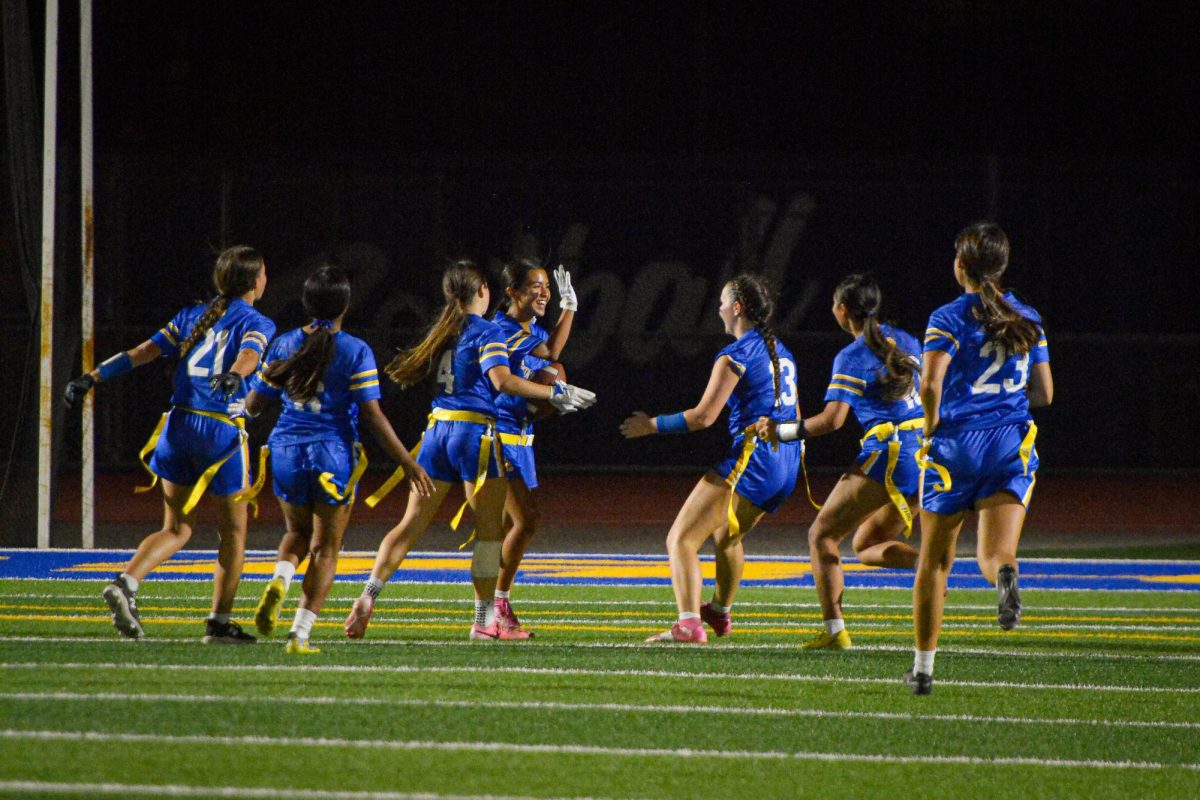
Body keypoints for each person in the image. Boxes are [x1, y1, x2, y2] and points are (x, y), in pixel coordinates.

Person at [342, 258, 596, 641]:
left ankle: (367, 595)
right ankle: (483, 620)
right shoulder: (487, 330)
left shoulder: (445, 329)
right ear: (483, 291)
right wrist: (553, 392)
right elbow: (504, 381)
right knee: (490, 535)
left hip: (436, 431)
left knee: (409, 525)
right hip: (474, 434)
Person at [63, 245, 275, 643]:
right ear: (253, 280)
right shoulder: (257, 320)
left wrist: (92, 377)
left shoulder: (191, 315)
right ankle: (218, 623)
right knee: (233, 534)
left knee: (176, 528)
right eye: (264, 272)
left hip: (176, 426)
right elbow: (250, 352)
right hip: (219, 432)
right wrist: (233, 374)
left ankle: (127, 582)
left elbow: (141, 352)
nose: (267, 278)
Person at [242, 265, 435, 654]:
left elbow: (253, 406)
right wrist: (407, 462)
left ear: (306, 303)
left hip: (285, 449)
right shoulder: (355, 350)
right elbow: (372, 415)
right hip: (332, 453)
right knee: (325, 549)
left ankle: (280, 578)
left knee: (295, 535)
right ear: (346, 304)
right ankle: (299, 634)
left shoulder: (283, 344)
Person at [905, 223, 1053, 695]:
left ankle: (924, 670)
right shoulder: (1027, 316)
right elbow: (1045, 393)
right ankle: (1005, 577)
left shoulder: (948, 316)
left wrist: (929, 429)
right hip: (1010, 441)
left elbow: (929, 385)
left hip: (957, 447)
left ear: (961, 265)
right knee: (995, 554)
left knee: (934, 563)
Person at [620, 274, 800, 643]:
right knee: (727, 538)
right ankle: (718, 613)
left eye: (722, 302)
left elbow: (704, 416)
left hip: (757, 459)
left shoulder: (736, 354)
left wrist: (651, 426)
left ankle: (688, 625)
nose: (717, 308)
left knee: (681, 540)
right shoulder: (781, 351)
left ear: (737, 308)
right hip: (788, 462)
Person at [756, 274, 922, 650]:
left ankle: (835, 633)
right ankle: (927, 565)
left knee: (821, 535)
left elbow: (832, 421)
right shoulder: (907, 339)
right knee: (866, 544)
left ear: (842, 310)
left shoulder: (852, 354)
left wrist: (780, 432)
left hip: (890, 454)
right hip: (926, 456)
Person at [488, 259, 578, 637]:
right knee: (527, 520)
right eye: (535, 286)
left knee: (506, 529)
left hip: (520, 438)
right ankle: (496, 608)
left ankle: (490, 609)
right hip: (496, 438)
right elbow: (509, 379)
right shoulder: (500, 332)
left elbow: (550, 351)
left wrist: (569, 308)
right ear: (511, 291)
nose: (545, 293)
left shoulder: (527, 330)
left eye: (547, 286)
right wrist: (549, 392)